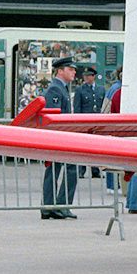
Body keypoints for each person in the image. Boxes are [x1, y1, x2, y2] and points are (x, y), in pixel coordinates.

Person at [40, 56, 78, 219]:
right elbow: (54, 116)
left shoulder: (60, 87)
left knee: (54, 171)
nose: (74, 72)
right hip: (59, 137)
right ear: (60, 71)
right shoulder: (56, 89)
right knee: (70, 169)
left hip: (59, 136)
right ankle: (60, 205)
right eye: (71, 69)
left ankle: (49, 207)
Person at [74, 66, 105, 178]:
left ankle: (95, 170)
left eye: (88, 76)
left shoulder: (101, 89)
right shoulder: (80, 90)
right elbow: (77, 107)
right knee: (83, 147)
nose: (86, 78)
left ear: (94, 76)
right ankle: (81, 170)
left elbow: (103, 106)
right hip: (85, 122)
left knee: (96, 147)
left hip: (97, 122)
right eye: (85, 76)